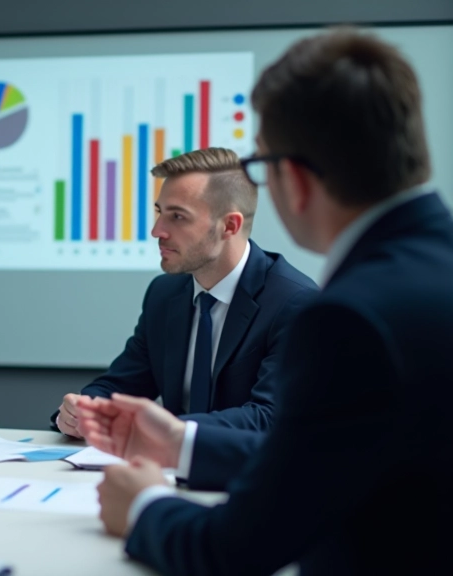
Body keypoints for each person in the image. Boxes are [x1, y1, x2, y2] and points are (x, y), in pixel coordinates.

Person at [77, 28, 453, 575]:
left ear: (293, 179)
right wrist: (180, 442)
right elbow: (327, 461)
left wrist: (143, 505)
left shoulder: (349, 318)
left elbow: (237, 548)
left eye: (262, 167)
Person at [53, 147, 317, 443]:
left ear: (229, 225)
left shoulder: (295, 303)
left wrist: (161, 433)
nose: (157, 231)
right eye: (159, 212)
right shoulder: (164, 294)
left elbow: (268, 418)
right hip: (168, 473)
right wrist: (81, 410)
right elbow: (122, 384)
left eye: (178, 216)